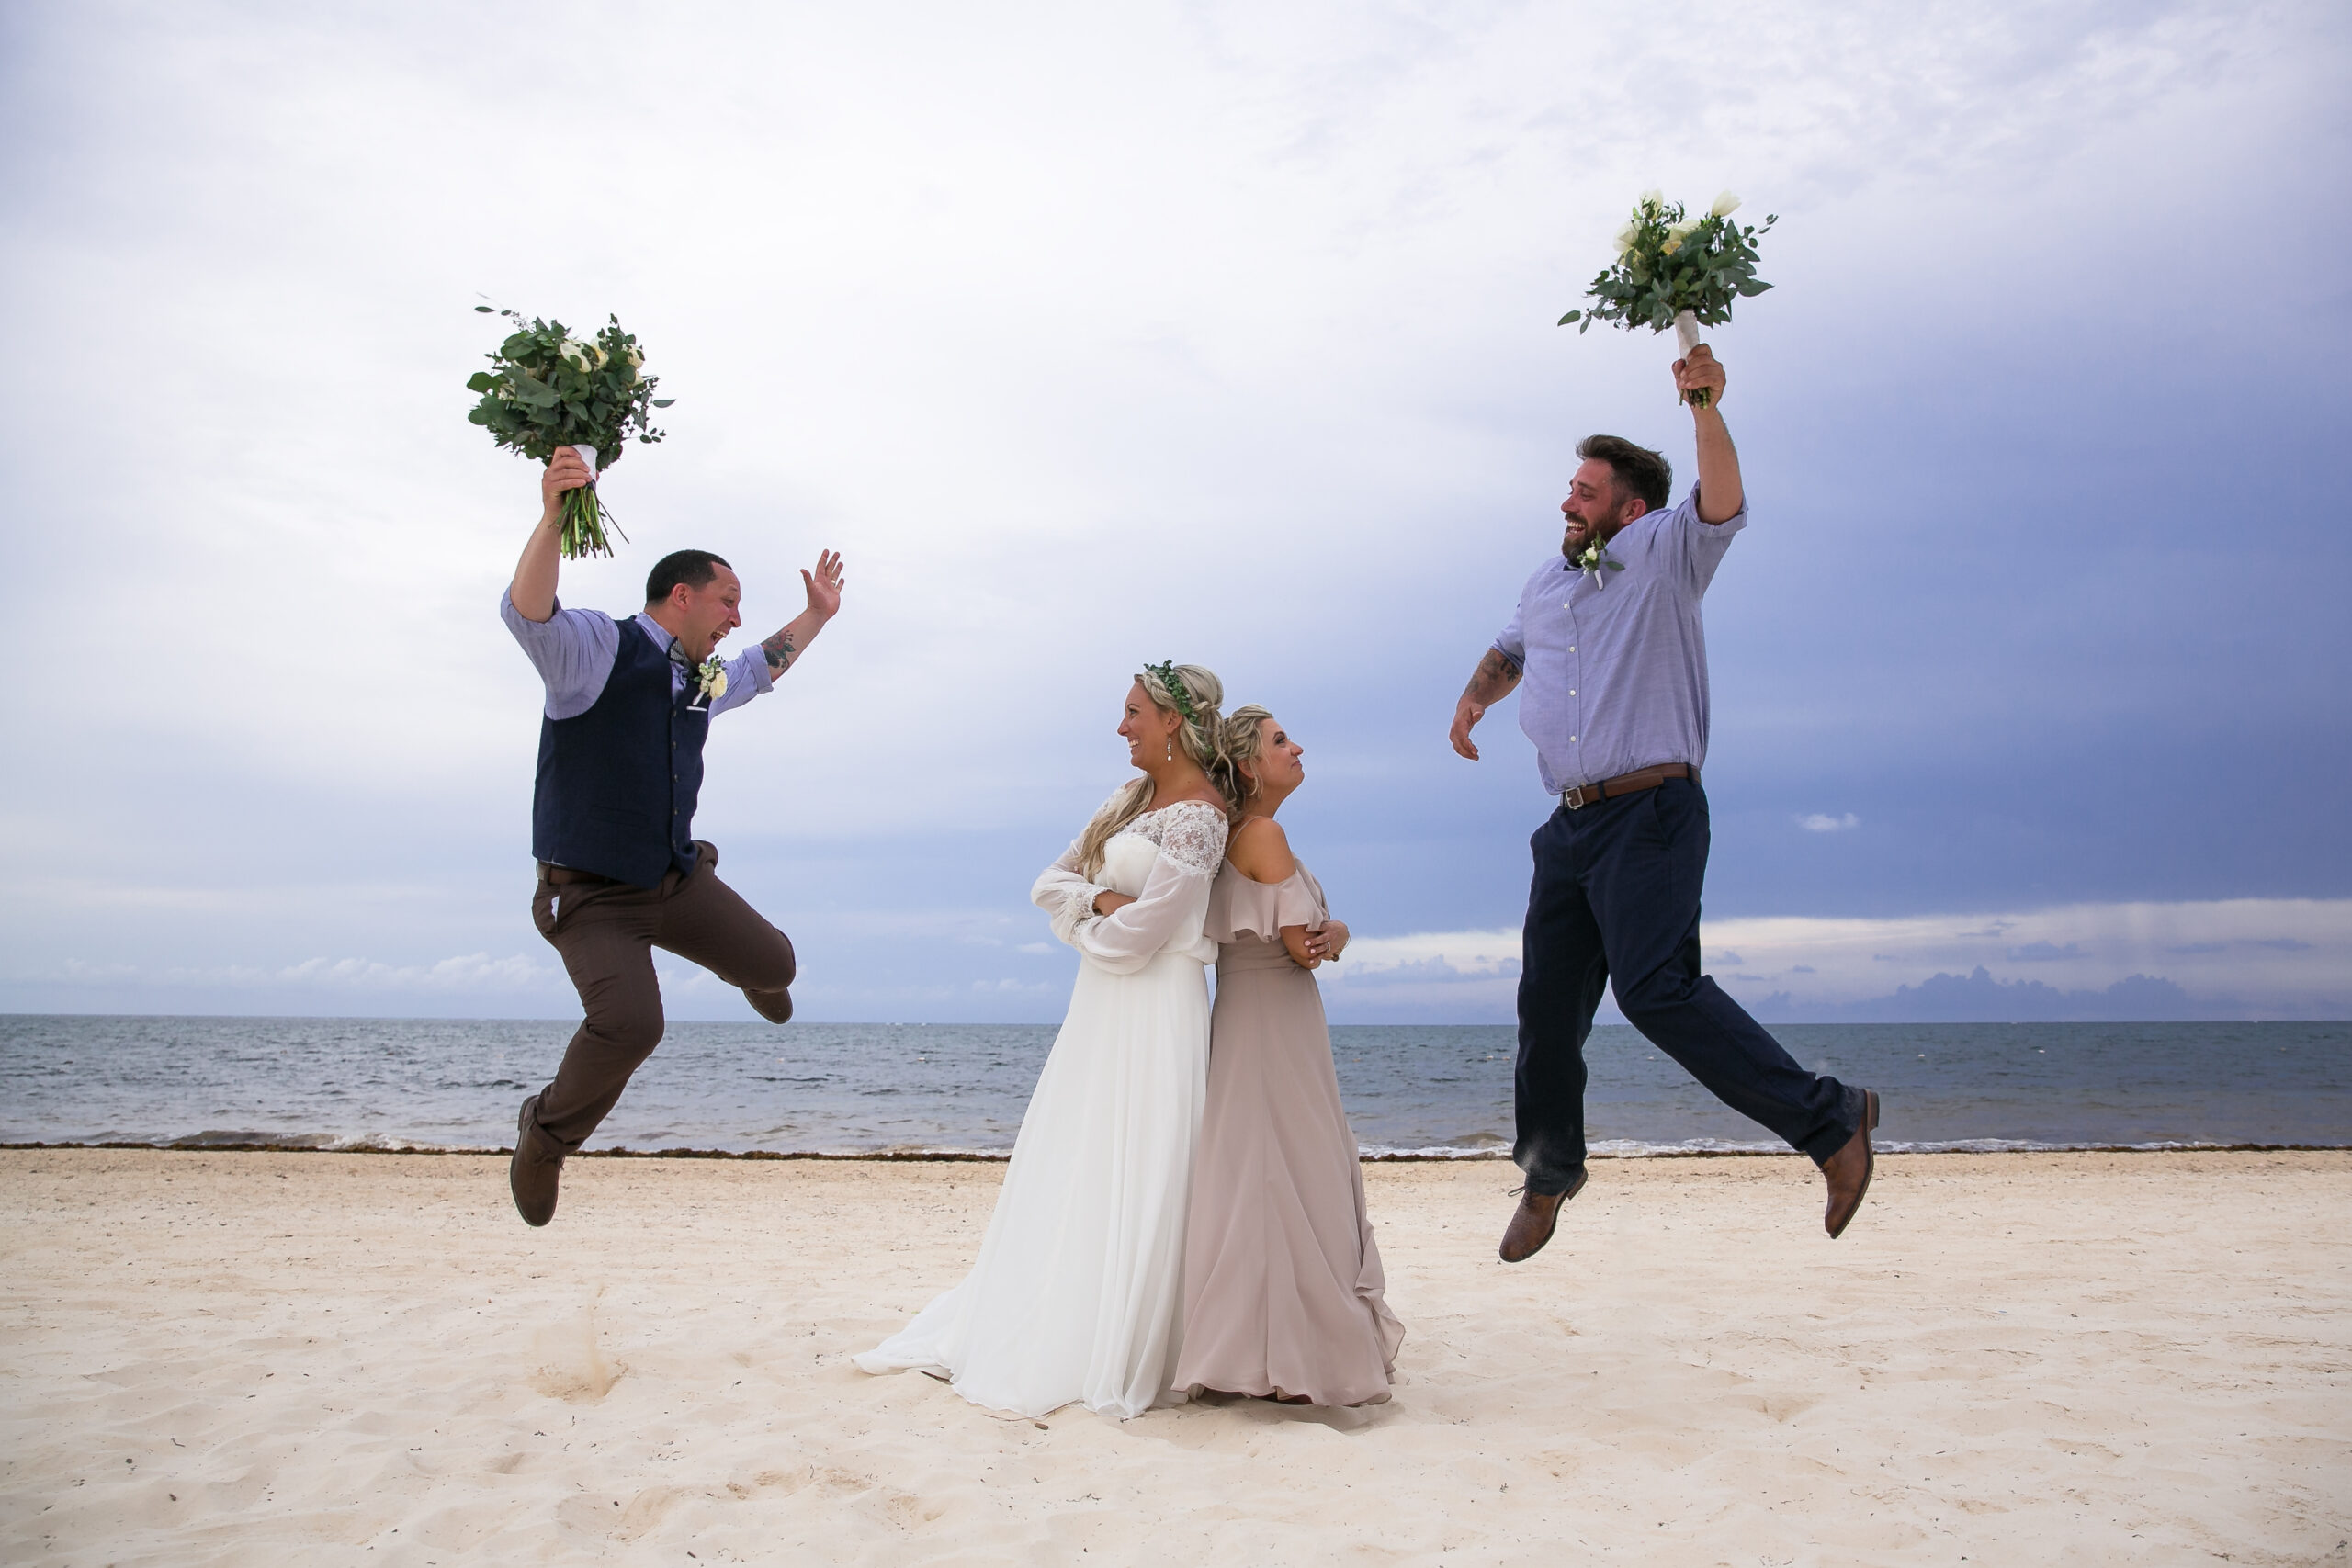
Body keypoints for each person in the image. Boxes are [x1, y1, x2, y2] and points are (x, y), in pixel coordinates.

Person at [1448, 344, 1879, 1261]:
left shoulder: (1659, 554)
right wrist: (1474, 697)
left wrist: (1704, 408)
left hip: (1651, 813)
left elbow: (1719, 501)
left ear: (1628, 508)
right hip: (1567, 825)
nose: (1568, 502)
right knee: (1545, 1012)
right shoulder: (1544, 582)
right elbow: (1510, 646)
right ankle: (1550, 1170)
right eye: (1568, 489)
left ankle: (1830, 1123)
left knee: (1656, 992)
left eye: (1585, 492)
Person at [855, 663, 1233, 1419]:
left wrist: (1099, 921)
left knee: (1148, 1158)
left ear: (1170, 721)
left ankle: (1125, 1337)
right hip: (1099, 1006)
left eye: (1132, 713)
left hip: (1159, 1008)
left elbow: (1144, 939)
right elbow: (1047, 883)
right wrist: (1101, 900)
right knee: (1081, 1153)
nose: (1121, 727)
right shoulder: (1127, 800)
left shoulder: (1201, 816)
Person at [501, 446, 844, 1227]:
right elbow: (530, 610)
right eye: (727, 599)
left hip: (675, 879)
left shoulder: (702, 679)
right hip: (590, 897)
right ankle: (545, 1133)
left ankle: (748, 967)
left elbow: (761, 666)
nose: (735, 617)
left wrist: (818, 615)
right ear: (681, 595)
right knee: (633, 1024)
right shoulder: (595, 653)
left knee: (777, 961)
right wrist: (554, 515)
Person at [1175, 706, 1403, 1408]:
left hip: (1255, 1018)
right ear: (1250, 764)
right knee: (1297, 1176)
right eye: (1281, 741)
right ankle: (1297, 1358)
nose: (1297, 746)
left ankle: (1248, 1353)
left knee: (1262, 1177)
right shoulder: (1264, 833)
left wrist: (1330, 931)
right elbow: (1307, 945)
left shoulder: (1240, 834)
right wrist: (1340, 928)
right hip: (1276, 1021)